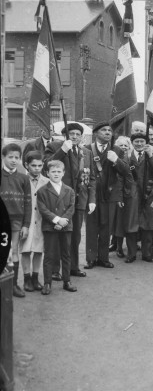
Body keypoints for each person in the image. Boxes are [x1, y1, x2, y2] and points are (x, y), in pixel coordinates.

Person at [45, 122, 96, 279]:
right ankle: (55, 270)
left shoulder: (86, 152)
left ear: (81, 137)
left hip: (80, 200)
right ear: (65, 135)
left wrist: (92, 199)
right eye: (71, 134)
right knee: (58, 233)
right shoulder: (55, 147)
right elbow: (46, 166)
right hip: (59, 200)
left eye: (77, 134)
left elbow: (92, 178)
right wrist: (63, 150)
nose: (74, 137)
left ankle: (73, 267)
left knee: (75, 236)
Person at [85, 122, 129, 269]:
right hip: (92, 193)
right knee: (91, 227)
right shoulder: (87, 149)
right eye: (103, 130)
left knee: (106, 227)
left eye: (110, 130)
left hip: (110, 194)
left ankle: (103, 258)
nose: (107, 133)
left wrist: (116, 160)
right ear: (95, 133)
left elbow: (126, 172)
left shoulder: (117, 150)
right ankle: (91, 258)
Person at [37, 160, 77, 295]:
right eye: (53, 171)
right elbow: (43, 209)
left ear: (63, 173)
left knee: (66, 254)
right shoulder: (42, 191)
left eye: (59, 171)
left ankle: (67, 281)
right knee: (49, 255)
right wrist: (57, 220)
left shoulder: (69, 190)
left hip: (66, 225)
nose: (56, 174)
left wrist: (63, 221)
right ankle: (47, 283)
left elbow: (71, 207)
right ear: (47, 173)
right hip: (50, 225)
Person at [1, 143, 32, 297]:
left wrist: (26, 225)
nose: (14, 160)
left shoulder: (24, 178)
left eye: (17, 158)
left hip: (16, 221)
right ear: (3, 157)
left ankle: (13, 286)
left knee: (13, 252)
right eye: (10, 157)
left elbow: (28, 202)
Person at [124, 133, 153, 263]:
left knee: (148, 225)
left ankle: (147, 253)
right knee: (131, 225)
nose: (139, 144)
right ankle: (131, 254)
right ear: (132, 142)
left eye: (142, 141)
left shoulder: (152, 155)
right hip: (132, 195)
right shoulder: (126, 156)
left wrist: (150, 156)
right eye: (136, 141)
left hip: (148, 194)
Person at [20, 152, 47, 292]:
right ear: (26, 165)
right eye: (33, 165)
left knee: (38, 250)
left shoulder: (47, 181)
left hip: (41, 220)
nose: (37, 168)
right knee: (25, 249)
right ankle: (26, 278)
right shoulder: (21, 179)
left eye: (40, 165)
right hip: (26, 220)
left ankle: (35, 278)